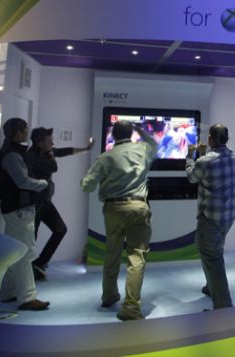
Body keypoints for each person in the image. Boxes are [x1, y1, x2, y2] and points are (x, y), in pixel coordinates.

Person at [80, 121, 157, 321]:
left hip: (112, 209)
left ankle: (109, 296)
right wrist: (140, 130)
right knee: (136, 257)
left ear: (113, 136)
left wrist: (86, 182)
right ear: (131, 134)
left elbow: (87, 186)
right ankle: (131, 307)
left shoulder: (105, 157)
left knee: (112, 253)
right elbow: (154, 143)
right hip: (138, 207)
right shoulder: (143, 149)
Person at [0, 118, 51, 311]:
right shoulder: (12, 155)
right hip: (19, 210)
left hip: (15, 209)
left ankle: (8, 291)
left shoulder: (11, 152)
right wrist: (43, 184)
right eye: (25, 129)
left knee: (13, 252)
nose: (27, 132)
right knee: (26, 253)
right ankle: (27, 298)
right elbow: (22, 181)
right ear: (18, 132)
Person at [25, 127, 94, 280]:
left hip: (45, 202)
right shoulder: (32, 156)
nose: (53, 144)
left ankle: (40, 263)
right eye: (49, 141)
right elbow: (53, 167)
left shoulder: (46, 152)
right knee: (32, 238)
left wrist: (86, 149)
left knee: (60, 229)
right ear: (39, 143)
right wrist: (51, 155)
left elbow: (64, 151)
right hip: (35, 203)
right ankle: (27, 271)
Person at [185, 124, 235, 310]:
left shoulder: (205, 161)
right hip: (227, 215)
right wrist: (202, 154)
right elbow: (212, 171)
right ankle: (211, 287)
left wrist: (190, 155)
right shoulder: (233, 157)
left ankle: (223, 306)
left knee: (211, 256)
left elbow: (192, 177)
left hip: (211, 217)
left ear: (211, 139)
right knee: (214, 251)